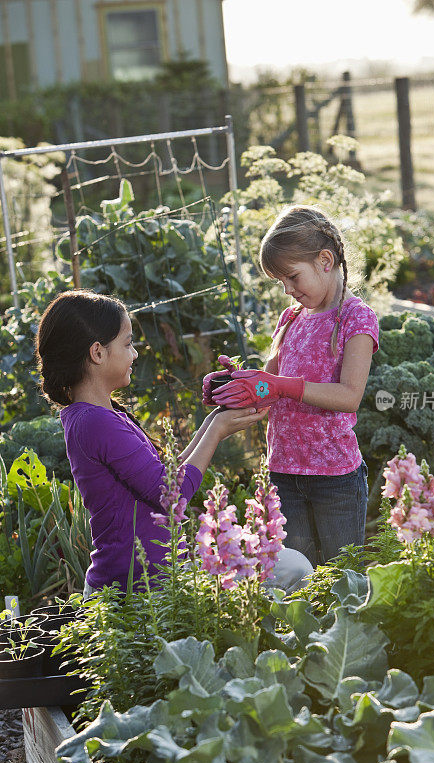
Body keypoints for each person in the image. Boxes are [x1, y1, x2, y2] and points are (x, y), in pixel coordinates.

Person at [36, 290, 271, 600]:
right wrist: (215, 431)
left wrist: (215, 421)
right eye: (128, 343)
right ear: (97, 352)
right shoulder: (95, 422)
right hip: (132, 592)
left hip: (144, 583)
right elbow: (172, 494)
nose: (135, 354)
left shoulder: (101, 416)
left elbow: (164, 477)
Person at [204, 206, 379, 567]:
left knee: (341, 577)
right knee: (294, 577)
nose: (288, 290)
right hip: (283, 472)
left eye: (293, 277)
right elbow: (269, 391)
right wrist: (236, 386)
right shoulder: (291, 318)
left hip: (336, 479)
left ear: (325, 261)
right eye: (280, 282)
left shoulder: (355, 317)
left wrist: (281, 385)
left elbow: (349, 396)